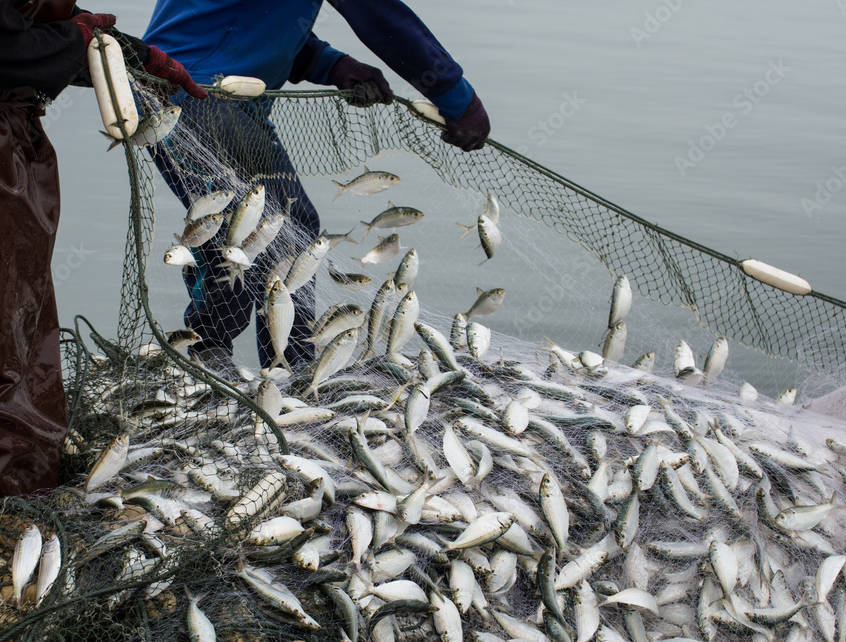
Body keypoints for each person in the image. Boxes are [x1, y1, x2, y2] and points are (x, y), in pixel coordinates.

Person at [143, 0, 491, 374]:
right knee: (261, 230)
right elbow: (379, 14)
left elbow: (259, 19)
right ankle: (241, 360)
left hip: (201, 93)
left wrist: (332, 65)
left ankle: (262, 360)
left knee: (271, 226)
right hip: (194, 95)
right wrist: (457, 96)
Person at [0, 0, 205, 495]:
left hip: (14, 140)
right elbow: (9, 51)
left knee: (22, 312)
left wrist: (132, 56)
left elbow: (38, 26)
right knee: (6, 320)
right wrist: (78, 40)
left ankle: (24, 479)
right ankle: (12, 493)